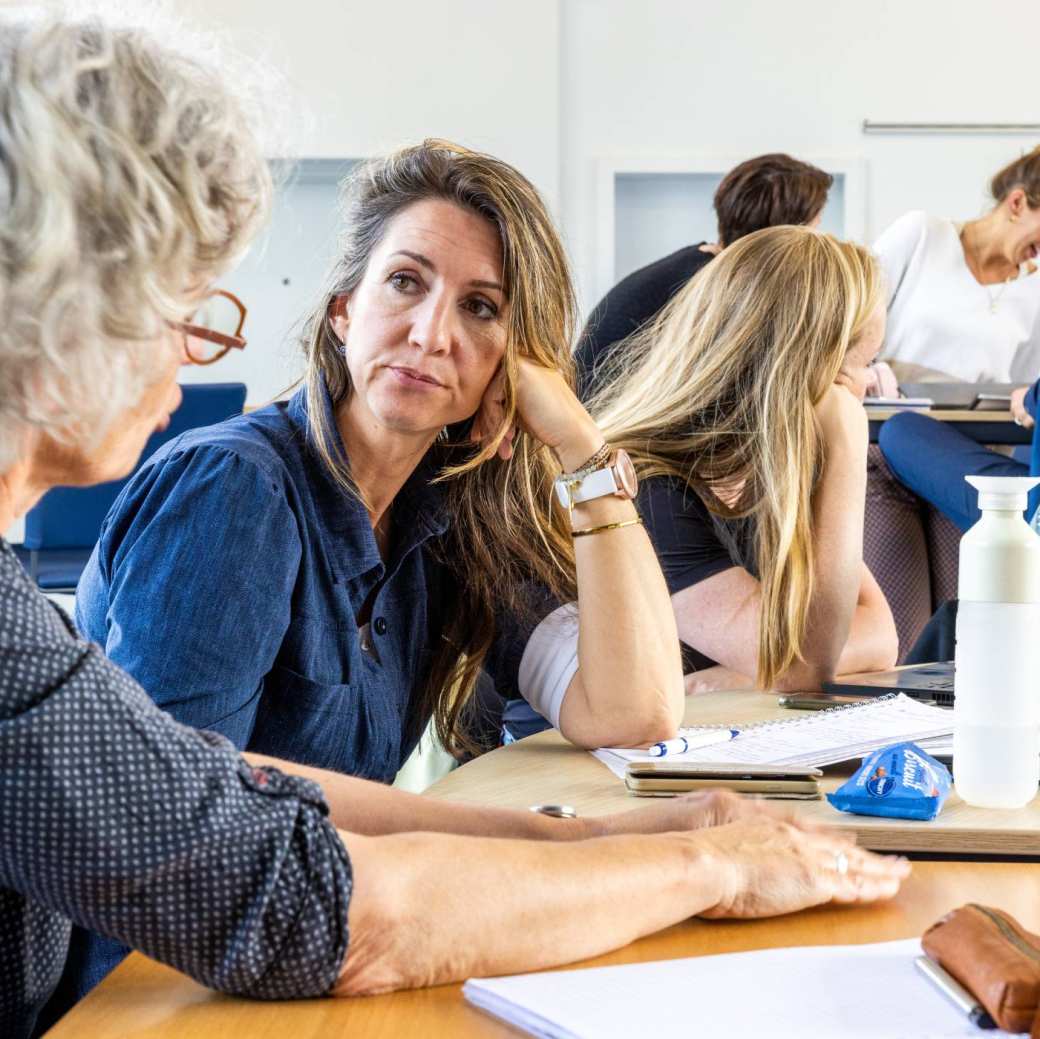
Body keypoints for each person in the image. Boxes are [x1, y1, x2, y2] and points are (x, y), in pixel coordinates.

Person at [0, 16, 910, 1035]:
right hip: (158, 995)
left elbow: (632, 710)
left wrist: (572, 445)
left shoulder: (446, 507)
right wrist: (675, 860)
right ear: (341, 311)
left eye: (482, 309)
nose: (432, 332)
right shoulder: (234, 492)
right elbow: (225, 833)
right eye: (404, 283)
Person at [522, 226, 897, 704]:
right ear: (806, 370)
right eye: (864, 364)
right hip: (557, 760)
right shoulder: (648, 488)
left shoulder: (767, 474)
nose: (870, 386)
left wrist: (738, 674)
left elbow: (881, 634)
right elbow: (803, 664)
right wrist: (846, 441)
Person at [867, 148, 1040, 654]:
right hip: (884, 452)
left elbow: (1027, 391)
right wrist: (867, 365)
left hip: (973, 461)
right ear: (1016, 203)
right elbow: (848, 319)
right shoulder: (922, 235)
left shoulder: (1034, 291)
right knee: (896, 635)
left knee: (961, 635)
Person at [575, 153, 833, 397]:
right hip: (612, 435)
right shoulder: (714, 287)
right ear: (783, 235)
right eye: (814, 227)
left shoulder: (696, 267)